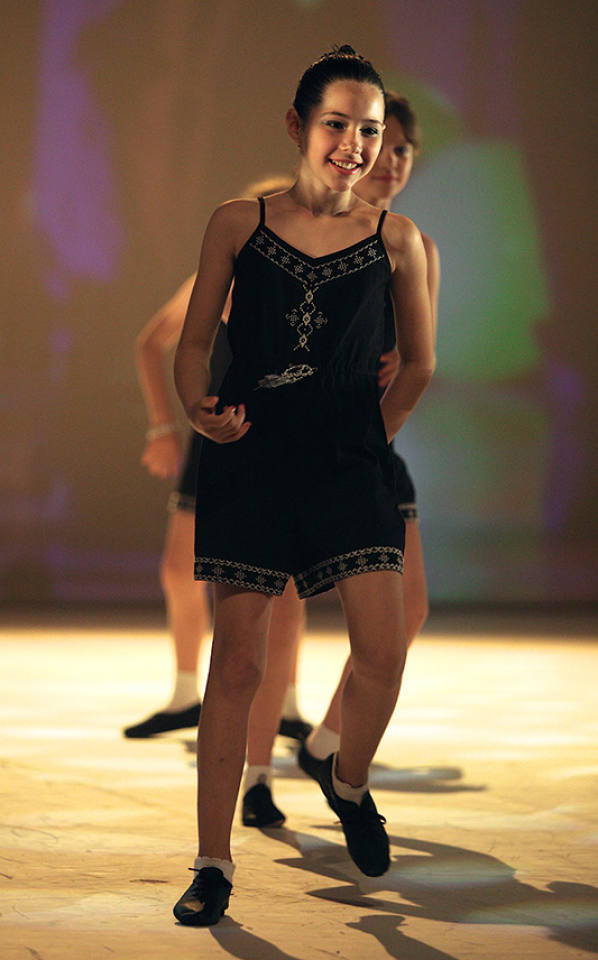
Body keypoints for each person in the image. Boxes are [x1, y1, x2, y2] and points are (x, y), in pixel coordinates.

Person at [172, 45, 434, 925]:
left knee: (384, 650)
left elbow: (420, 365)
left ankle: (347, 783)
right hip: (250, 459)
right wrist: (196, 408)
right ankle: (213, 863)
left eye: (370, 129)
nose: (355, 144)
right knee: (238, 664)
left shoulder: (397, 240)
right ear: (297, 126)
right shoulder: (236, 223)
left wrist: (368, 438)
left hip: (348, 466)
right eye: (336, 124)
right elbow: (194, 344)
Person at [123, 177, 313, 743]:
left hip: (284, 443)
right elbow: (152, 342)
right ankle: (187, 695)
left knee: (284, 584)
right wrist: (163, 427)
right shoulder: (223, 275)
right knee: (179, 569)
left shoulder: (317, 281)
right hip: (218, 434)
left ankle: (285, 705)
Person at [298, 91, 440, 779]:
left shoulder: (416, 245)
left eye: (404, 149)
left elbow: (419, 360)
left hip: (374, 446)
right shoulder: (317, 230)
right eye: (385, 144)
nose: (393, 160)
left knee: (406, 610)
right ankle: (261, 761)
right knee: (272, 612)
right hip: (303, 444)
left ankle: (329, 742)